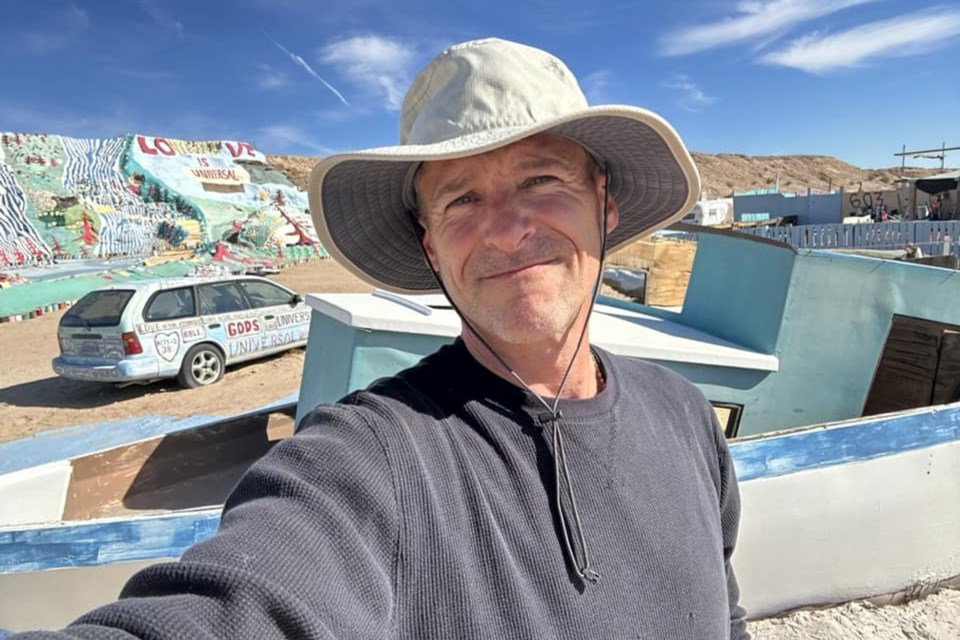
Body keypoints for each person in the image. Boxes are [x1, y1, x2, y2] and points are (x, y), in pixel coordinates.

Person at [11, 38, 749, 639]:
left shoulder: (684, 416)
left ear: (605, 206)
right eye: (461, 199)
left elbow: (727, 613)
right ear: (431, 247)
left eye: (541, 179)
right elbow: (237, 604)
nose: (506, 228)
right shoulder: (370, 459)